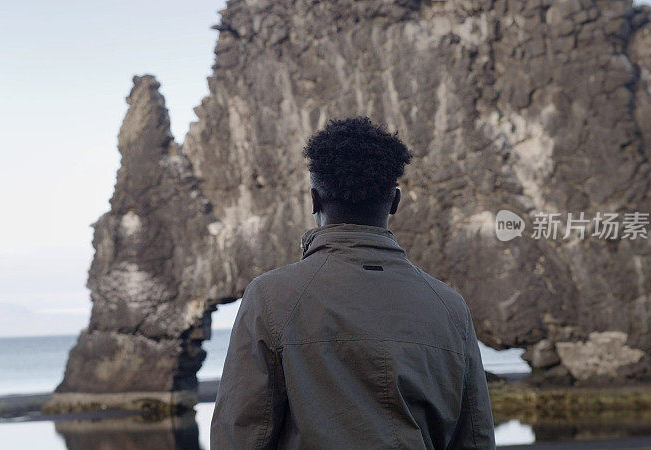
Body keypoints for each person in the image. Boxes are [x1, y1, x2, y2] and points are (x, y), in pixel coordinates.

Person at [211, 117, 495, 449]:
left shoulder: (271, 298)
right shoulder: (450, 306)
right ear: (395, 203)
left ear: (314, 199)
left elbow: (239, 436)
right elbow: (475, 438)